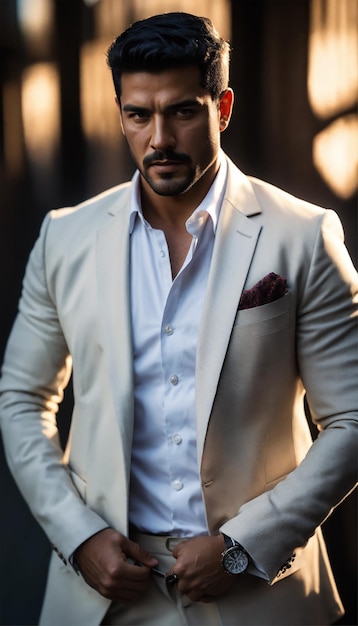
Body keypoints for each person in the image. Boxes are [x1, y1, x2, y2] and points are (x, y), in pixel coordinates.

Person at [0, 11, 357, 626]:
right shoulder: (66, 238)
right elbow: (22, 398)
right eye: (138, 114)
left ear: (222, 108)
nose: (158, 137)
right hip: (106, 596)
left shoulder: (303, 236)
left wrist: (246, 547)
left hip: (259, 595)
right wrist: (79, 535)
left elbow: (352, 417)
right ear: (120, 113)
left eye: (183, 111)